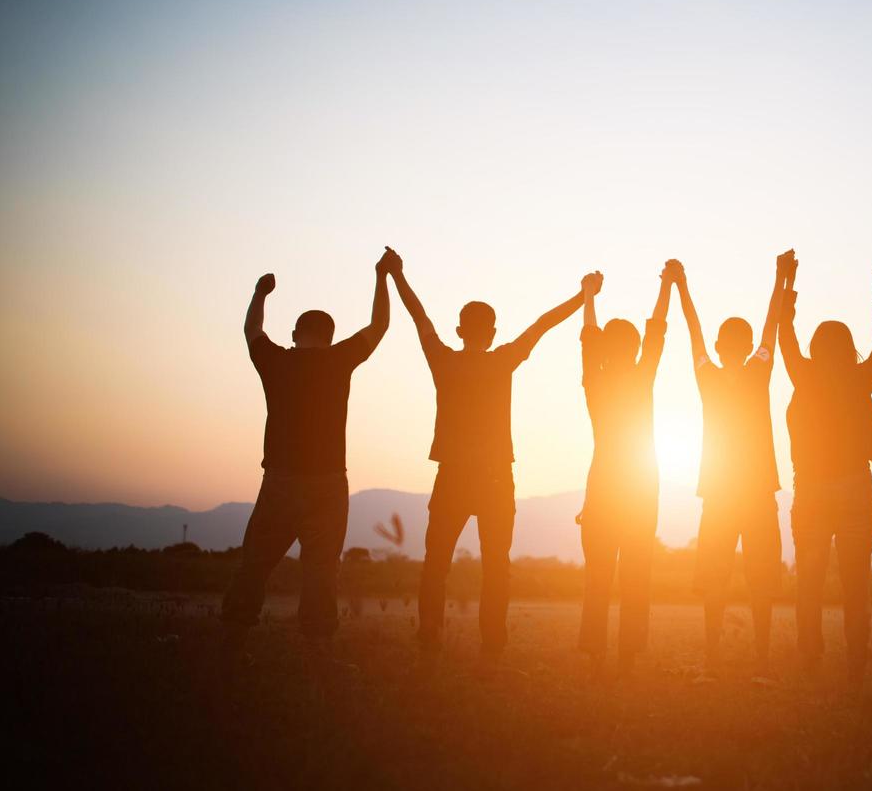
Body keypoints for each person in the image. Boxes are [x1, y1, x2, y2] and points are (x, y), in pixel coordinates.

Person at [388, 257, 588, 666]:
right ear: (493, 332)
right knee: (496, 566)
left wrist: (396, 275)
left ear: (460, 330)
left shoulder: (443, 359)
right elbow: (543, 324)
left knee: (436, 563)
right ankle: (493, 644)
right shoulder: (503, 360)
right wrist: (584, 296)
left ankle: (431, 638)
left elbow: (419, 314)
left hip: (453, 475)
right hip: (496, 477)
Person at [222, 247, 395, 662]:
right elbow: (380, 325)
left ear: (297, 333)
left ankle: (233, 639)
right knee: (320, 570)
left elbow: (251, 330)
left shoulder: (276, 360)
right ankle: (317, 648)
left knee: (256, 564)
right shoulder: (340, 360)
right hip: (329, 482)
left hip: (280, 481)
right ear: (331, 336)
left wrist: (260, 293)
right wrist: (381, 277)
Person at [668, 252, 792, 680]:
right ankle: (735, 659)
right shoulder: (754, 371)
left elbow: (696, 329)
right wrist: (778, 279)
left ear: (723, 347)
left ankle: (729, 660)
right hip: (741, 491)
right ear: (729, 347)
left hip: (732, 492)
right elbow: (768, 326)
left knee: (732, 579)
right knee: (738, 579)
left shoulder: (715, 373)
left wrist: (682, 287)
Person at [779, 255, 872, 687]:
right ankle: (856, 666)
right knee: (856, 585)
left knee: (808, 583)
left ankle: (810, 659)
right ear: (848, 347)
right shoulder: (859, 377)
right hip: (853, 490)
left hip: (810, 492)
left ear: (815, 347)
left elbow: (784, 334)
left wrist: (788, 282)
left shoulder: (803, 376)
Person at [577, 263, 674, 676]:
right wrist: (667, 284)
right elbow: (657, 330)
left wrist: (588, 296)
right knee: (636, 574)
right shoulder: (641, 376)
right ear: (633, 350)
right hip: (638, 488)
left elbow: (589, 340)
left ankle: (596, 652)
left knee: (599, 576)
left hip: (604, 486)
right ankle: (627, 655)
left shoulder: (594, 382)